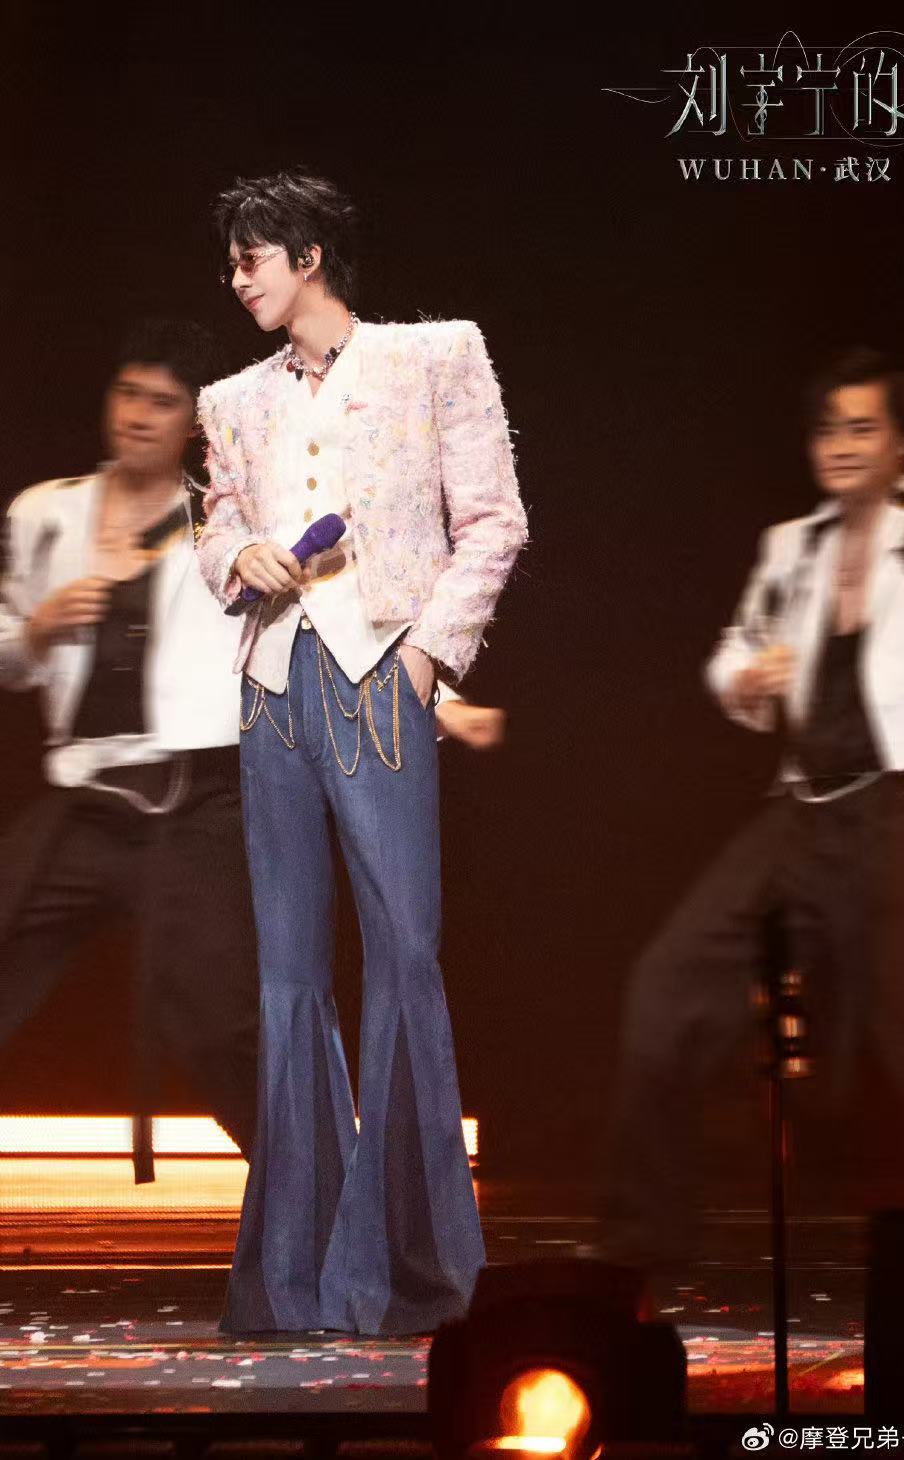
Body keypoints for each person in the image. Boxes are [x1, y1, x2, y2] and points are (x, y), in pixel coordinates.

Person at [196, 169, 527, 1336]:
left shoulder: (435, 355)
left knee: (402, 954)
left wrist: (430, 655)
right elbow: (218, 522)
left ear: (307, 256)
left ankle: (409, 1271)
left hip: (381, 673)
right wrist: (237, 555)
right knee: (289, 972)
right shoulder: (231, 399)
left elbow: (493, 519)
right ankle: (293, 1276)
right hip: (274, 688)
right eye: (232, 261)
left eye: (251, 258)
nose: (237, 279)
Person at [603, 348, 904, 1265]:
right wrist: (745, 678)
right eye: (828, 429)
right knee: (666, 987)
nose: (841, 445)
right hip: (804, 810)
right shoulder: (792, 545)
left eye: (863, 428)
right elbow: (735, 648)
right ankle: (647, 1241)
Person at [0, 320, 260, 1170]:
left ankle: (325, 1210)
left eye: (162, 402)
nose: (138, 415)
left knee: (220, 1024)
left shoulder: (224, 524)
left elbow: (308, 632)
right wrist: (37, 629)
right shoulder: (45, 513)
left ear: (193, 421)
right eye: (127, 393)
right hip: (87, 803)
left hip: (197, 806)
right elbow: (8, 654)